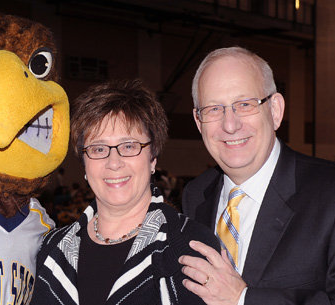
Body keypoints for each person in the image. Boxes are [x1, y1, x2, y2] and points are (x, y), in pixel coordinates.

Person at [178, 46, 335, 304]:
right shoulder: (195, 195)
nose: (230, 124)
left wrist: (244, 299)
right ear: (197, 120)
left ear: (275, 111)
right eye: (214, 109)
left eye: (245, 104)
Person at [32, 79, 216, 304]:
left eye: (129, 146)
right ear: (84, 165)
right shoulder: (51, 249)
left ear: (152, 159)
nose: (114, 162)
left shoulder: (190, 246)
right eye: (99, 148)